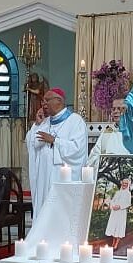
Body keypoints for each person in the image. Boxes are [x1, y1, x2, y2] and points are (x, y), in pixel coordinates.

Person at [26, 87, 88, 216]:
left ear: (59, 101)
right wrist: (37, 124)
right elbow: (32, 143)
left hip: (61, 177)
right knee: (44, 211)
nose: (43, 104)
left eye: (47, 100)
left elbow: (78, 149)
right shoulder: (45, 122)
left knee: (59, 213)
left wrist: (55, 141)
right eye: (43, 101)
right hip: (44, 176)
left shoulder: (75, 121)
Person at [87, 97, 130, 167]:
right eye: (113, 109)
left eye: (119, 108)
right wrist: (107, 161)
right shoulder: (106, 134)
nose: (115, 111)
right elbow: (93, 158)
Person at [104, 179, 133, 250]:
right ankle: (113, 242)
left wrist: (120, 206)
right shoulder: (117, 192)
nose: (124, 185)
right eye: (123, 183)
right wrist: (113, 206)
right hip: (114, 212)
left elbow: (128, 203)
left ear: (128, 185)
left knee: (119, 227)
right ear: (121, 183)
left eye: (126, 183)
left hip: (121, 212)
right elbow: (113, 200)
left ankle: (116, 244)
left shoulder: (128, 193)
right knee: (114, 226)